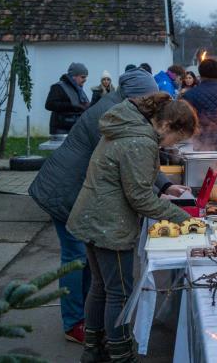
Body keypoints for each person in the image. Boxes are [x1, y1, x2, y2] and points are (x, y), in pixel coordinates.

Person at [29, 68, 184, 345]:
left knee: (96, 274)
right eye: (151, 98)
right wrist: (166, 202)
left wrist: (162, 185)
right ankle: (74, 322)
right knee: (76, 261)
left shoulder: (123, 110)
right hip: (66, 190)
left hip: (80, 191)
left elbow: (132, 161)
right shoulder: (112, 113)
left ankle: (93, 325)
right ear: (137, 97)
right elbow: (133, 160)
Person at [67, 94, 197, 361]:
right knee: (119, 292)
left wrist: (163, 190)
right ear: (167, 125)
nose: (173, 146)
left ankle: (93, 349)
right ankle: (120, 352)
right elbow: (139, 197)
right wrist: (183, 218)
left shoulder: (129, 128)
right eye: (178, 138)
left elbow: (132, 180)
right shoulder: (140, 141)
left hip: (93, 216)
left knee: (101, 287)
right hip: (109, 224)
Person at [46, 63, 90, 134]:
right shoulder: (58, 87)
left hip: (74, 128)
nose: (85, 80)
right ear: (74, 76)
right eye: (83, 77)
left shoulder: (78, 89)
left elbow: (79, 106)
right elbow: (49, 104)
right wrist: (74, 105)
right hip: (61, 130)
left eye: (85, 77)